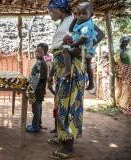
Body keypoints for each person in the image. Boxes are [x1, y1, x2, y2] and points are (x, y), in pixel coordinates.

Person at [47, 0, 104, 159]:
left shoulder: (75, 19)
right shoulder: (66, 22)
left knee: (71, 105)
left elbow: (100, 34)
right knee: (62, 105)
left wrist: (82, 48)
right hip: (63, 68)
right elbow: (58, 48)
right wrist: (52, 74)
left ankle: (69, 147)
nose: (50, 13)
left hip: (72, 68)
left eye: (51, 10)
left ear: (60, 9)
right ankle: (63, 137)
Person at [63, 2, 104, 90]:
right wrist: (74, 19)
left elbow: (101, 35)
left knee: (65, 51)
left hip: (83, 48)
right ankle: (91, 83)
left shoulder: (88, 24)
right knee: (88, 65)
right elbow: (71, 30)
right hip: (83, 47)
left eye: (84, 13)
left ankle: (68, 71)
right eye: (78, 14)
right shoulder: (79, 21)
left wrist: (88, 44)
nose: (81, 16)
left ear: (90, 14)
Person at [26, 43, 48, 133]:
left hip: (37, 89)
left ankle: (35, 126)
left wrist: (30, 89)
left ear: (45, 53)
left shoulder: (40, 63)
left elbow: (36, 79)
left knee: (36, 108)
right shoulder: (40, 62)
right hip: (38, 89)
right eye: (36, 51)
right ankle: (37, 124)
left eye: (40, 52)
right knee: (37, 107)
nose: (37, 53)